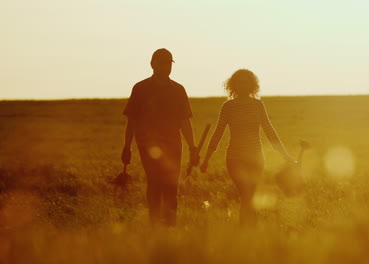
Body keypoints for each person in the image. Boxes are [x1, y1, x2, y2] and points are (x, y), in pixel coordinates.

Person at [200, 69, 295, 227]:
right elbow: (217, 133)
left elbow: (269, 131)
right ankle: (247, 231)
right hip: (235, 159)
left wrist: (285, 155)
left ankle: (249, 233)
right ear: (234, 85)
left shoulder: (258, 105)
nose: (243, 85)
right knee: (246, 194)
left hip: (256, 159)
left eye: (246, 81)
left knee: (250, 196)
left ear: (252, 84)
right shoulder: (228, 107)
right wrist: (206, 159)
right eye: (239, 82)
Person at [121, 48, 199, 226]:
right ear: (152, 64)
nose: (166, 67)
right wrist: (127, 147)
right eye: (161, 62)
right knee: (155, 182)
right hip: (147, 145)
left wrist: (192, 147)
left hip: (173, 144)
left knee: (171, 185)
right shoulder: (140, 88)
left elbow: (184, 121)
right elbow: (131, 120)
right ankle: (155, 224)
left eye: (168, 63)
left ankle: (170, 224)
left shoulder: (178, 90)